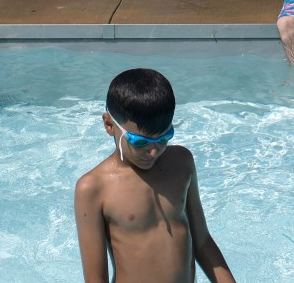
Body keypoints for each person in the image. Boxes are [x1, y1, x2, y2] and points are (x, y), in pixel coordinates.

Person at [74, 68, 236, 283]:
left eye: (164, 137)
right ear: (109, 125)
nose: (154, 152)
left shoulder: (181, 163)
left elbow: (202, 241)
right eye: (140, 142)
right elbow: (95, 279)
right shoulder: (94, 188)